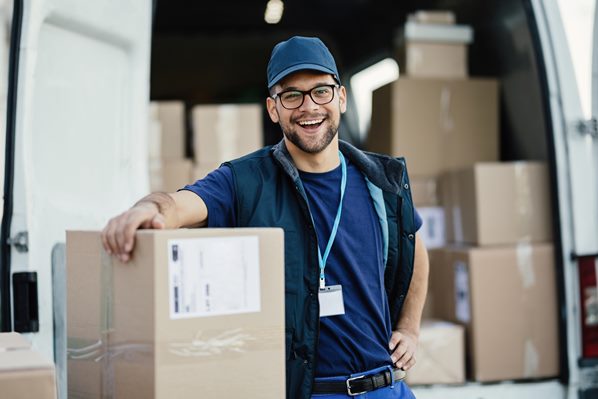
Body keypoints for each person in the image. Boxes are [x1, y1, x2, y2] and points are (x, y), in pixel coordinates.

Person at [102, 36, 429, 399]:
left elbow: (416, 249)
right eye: (292, 95)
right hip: (310, 393)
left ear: (341, 98)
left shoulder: (380, 182)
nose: (308, 107)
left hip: (388, 388)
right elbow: (178, 205)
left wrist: (410, 329)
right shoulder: (244, 182)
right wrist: (146, 209)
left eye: (320, 91)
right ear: (273, 108)